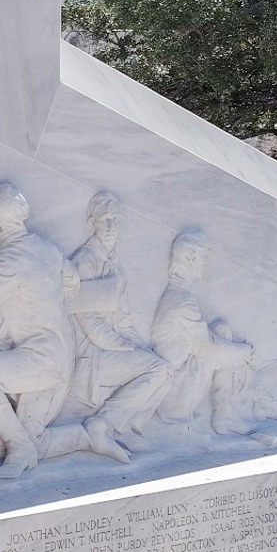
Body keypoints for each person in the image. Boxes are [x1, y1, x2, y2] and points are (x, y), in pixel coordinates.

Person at [0, 183, 130, 479]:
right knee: (37, 441)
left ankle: (19, 447)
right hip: (58, 356)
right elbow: (72, 283)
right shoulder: (45, 248)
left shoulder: (9, 263)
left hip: (40, 360)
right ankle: (85, 437)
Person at [67, 192, 169, 453]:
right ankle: (103, 424)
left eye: (116, 220)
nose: (111, 227)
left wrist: (136, 346)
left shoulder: (116, 268)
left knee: (163, 367)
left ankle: (124, 427)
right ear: (92, 223)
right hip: (91, 356)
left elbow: (123, 321)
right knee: (158, 369)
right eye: (105, 219)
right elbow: (89, 322)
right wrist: (125, 347)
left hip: (112, 350)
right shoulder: (84, 262)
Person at [152, 231, 252, 429]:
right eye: (203, 258)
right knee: (215, 349)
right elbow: (208, 348)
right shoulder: (182, 303)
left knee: (220, 330)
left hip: (178, 382)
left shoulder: (177, 295)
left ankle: (225, 413)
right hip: (173, 397)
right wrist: (244, 353)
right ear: (191, 259)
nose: (205, 264)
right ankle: (227, 414)